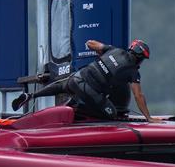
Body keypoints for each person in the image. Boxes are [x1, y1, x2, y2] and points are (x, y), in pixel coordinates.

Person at [11, 39, 161, 122]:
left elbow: (90, 43)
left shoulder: (115, 50)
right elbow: (138, 96)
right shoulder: (133, 71)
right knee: (113, 114)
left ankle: (31, 96)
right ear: (139, 58)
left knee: (63, 86)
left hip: (78, 77)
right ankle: (75, 110)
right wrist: (149, 118)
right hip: (88, 90)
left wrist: (102, 52)